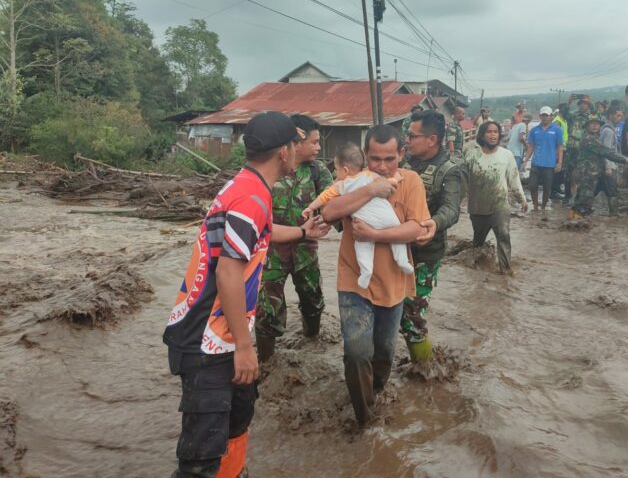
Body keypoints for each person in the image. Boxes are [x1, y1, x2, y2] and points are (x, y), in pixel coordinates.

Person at [163, 112, 329, 478]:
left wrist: (303, 234)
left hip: (219, 334)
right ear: (284, 152)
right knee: (200, 460)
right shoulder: (250, 198)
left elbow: (264, 233)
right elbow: (228, 271)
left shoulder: (248, 185)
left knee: (237, 422)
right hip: (207, 341)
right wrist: (244, 346)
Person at [321, 125, 430, 427]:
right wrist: (371, 189)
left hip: (393, 283)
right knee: (356, 352)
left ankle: (376, 392)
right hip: (354, 279)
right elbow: (329, 212)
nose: (382, 166)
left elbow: (416, 228)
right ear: (365, 155)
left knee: (383, 353)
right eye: (375, 159)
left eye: (389, 159)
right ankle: (364, 420)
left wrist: (374, 234)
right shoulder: (353, 180)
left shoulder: (411, 182)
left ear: (401, 155)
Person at [254, 114, 333, 363]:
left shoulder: (317, 170)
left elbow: (333, 197)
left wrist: (330, 217)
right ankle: (267, 362)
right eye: (314, 142)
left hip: (305, 249)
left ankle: (312, 347)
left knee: (312, 299)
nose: (318, 148)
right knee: (267, 308)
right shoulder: (273, 166)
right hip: (272, 252)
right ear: (296, 142)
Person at [301, 143, 413, 288]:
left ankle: (366, 272)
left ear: (345, 170)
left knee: (363, 246)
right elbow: (388, 183)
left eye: (336, 169)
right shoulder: (371, 176)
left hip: (365, 222)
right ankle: (403, 261)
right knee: (397, 237)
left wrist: (310, 207)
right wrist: (397, 178)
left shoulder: (341, 185)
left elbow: (323, 198)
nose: (336, 173)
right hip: (387, 217)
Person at [402, 110, 462, 362]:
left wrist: (433, 224)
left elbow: (451, 209)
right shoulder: (400, 161)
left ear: (432, 139)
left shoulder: (449, 171)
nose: (407, 140)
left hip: (425, 253)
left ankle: (425, 368)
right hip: (394, 247)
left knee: (413, 316)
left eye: (412, 136)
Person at [465, 121, 528, 272]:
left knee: (504, 236)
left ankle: (505, 271)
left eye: (496, 132)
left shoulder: (506, 155)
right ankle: (476, 271)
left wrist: (522, 199)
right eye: (489, 132)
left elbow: (514, 178)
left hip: (500, 205)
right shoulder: (472, 156)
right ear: (482, 135)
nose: (493, 135)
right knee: (478, 242)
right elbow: (462, 181)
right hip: (478, 207)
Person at [569, 116, 628, 220]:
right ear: (587, 126)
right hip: (588, 173)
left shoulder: (596, 137)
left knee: (598, 192)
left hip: (596, 172)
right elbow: (606, 152)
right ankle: (578, 219)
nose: (595, 126)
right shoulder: (589, 139)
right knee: (585, 196)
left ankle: (579, 216)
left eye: (597, 124)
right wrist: (626, 160)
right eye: (591, 124)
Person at [523, 106, 563, 219]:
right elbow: (531, 146)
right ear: (540, 116)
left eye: (547, 115)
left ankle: (543, 207)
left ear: (551, 116)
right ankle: (535, 207)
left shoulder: (557, 130)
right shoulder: (534, 130)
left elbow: (560, 147)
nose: (545, 117)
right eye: (543, 115)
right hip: (536, 163)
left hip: (549, 164)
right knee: (532, 186)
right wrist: (525, 161)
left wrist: (559, 163)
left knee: (547, 188)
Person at [596, 103, 624, 216]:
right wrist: (608, 167)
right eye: (618, 115)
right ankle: (613, 214)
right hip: (608, 166)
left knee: (600, 188)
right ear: (611, 115)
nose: (620, 118)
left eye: (621, 115)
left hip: (607, 165)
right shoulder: (608, 131)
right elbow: (606, 151)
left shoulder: (608, 129)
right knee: (611, 190)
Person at [565, 95, 595, 200]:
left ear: (588, 105)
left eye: (585, 104)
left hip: (584, 149)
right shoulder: (573, 115)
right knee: (568, 172)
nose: (583, 105)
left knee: (582, 173)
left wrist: (591, 103)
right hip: (571, 147)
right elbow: (564, 114)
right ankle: (567, 196)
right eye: (581, 103)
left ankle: (579, 196)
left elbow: (599, 119)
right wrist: (569, 102)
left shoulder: (591, 117)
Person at [551, 103, 570, 199]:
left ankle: (557, 188)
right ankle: (553, 191)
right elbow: (554, 137)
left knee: (561, 170)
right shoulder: (557, 121)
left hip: (563, 147)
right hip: (558, 149)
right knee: (557, 170)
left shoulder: (563, 120)